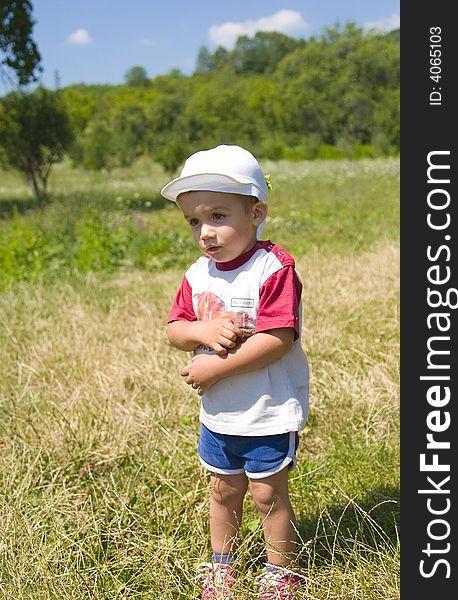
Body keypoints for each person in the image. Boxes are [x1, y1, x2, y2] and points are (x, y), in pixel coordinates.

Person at [162, 144, 309, 599]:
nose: (205, 232)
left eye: (218, 216)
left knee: (267, 495)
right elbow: (175, 329)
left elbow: (278, 338)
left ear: (257, 211)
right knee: (223, 491)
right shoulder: (197, 274)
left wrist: (215, 368)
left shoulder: (273, 268)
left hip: (267, 409)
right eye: (193, 221)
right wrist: (200, 329)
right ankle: (222, 566)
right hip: (219, 415)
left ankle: (280, 572)